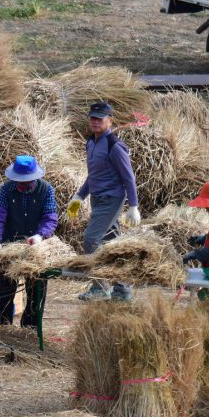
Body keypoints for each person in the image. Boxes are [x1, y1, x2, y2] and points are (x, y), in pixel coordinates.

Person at [66, 102, 141, 301]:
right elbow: (94, 176)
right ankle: (122, 289)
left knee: (91, 239)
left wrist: (133, 206)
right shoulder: (91, 143)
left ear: (110, 121)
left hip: (112, 199)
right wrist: (79, 196)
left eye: (100, 118)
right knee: (111, 243)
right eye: (93, 118)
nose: (96, 122)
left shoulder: (114, 146)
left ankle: (100, 286)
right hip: (97, 199)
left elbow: (129, 177)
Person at [0, 155, 58, 327]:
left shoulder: (46, 189)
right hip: (10, 242)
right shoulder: (7, 189)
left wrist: (40, 236)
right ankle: (2, 325)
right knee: (6, 286)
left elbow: (50, 218)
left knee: (36, 287)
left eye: (26, 182)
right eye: (19, 182)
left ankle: (30, 327)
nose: (22, 185)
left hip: (35, 246)